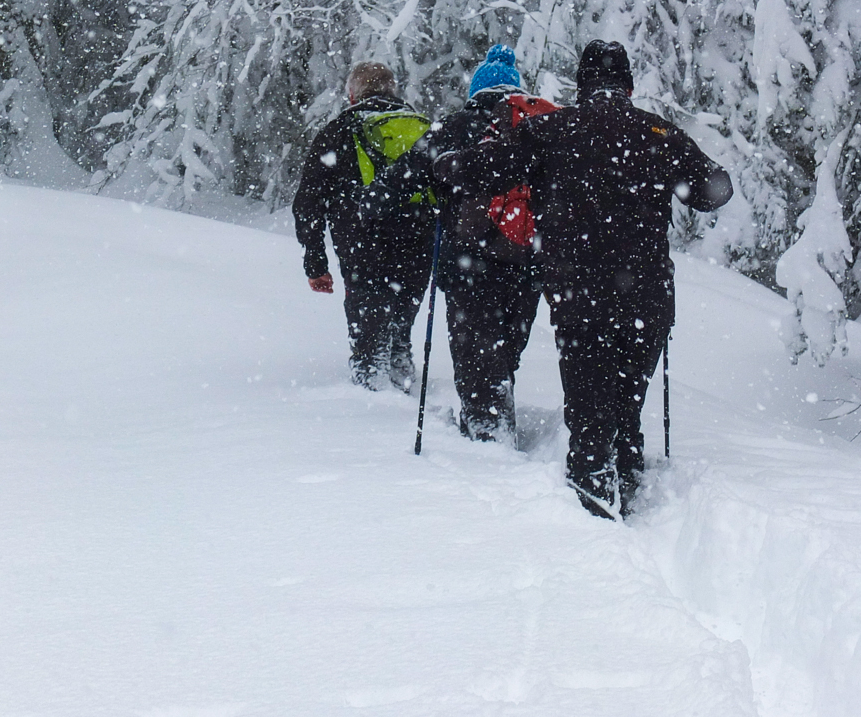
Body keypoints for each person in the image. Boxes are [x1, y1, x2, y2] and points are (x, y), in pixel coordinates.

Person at [438, 41, 732, 518]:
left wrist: (447, 167)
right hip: (648, 295)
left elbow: (486, 169)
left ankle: (596, 506)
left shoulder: (552, 130)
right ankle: (630, 485)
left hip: (580, 293)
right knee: (626, 400)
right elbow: (713, 190)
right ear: (629, 86)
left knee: (590, 407)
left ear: (582, 84)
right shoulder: (657, 132)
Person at [417, 45, 553, 444]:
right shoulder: (538, 130)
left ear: (476, 92)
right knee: (505, 350)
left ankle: (488, 441)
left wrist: (370, 205)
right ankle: (495, 412)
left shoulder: (453, 128)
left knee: (476, 351)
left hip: (468, 262)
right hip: (527, 260)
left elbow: (407, 176)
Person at [293, 62, 436, 392]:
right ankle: (399, 367)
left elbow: (309, 202)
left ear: (352, 93)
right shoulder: (420, 129)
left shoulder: (340, 130)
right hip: (417, 241)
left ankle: (371, 389)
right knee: (402, 321)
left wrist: (316, 262)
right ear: (393, 90)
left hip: (361, 242)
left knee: (368, 319)